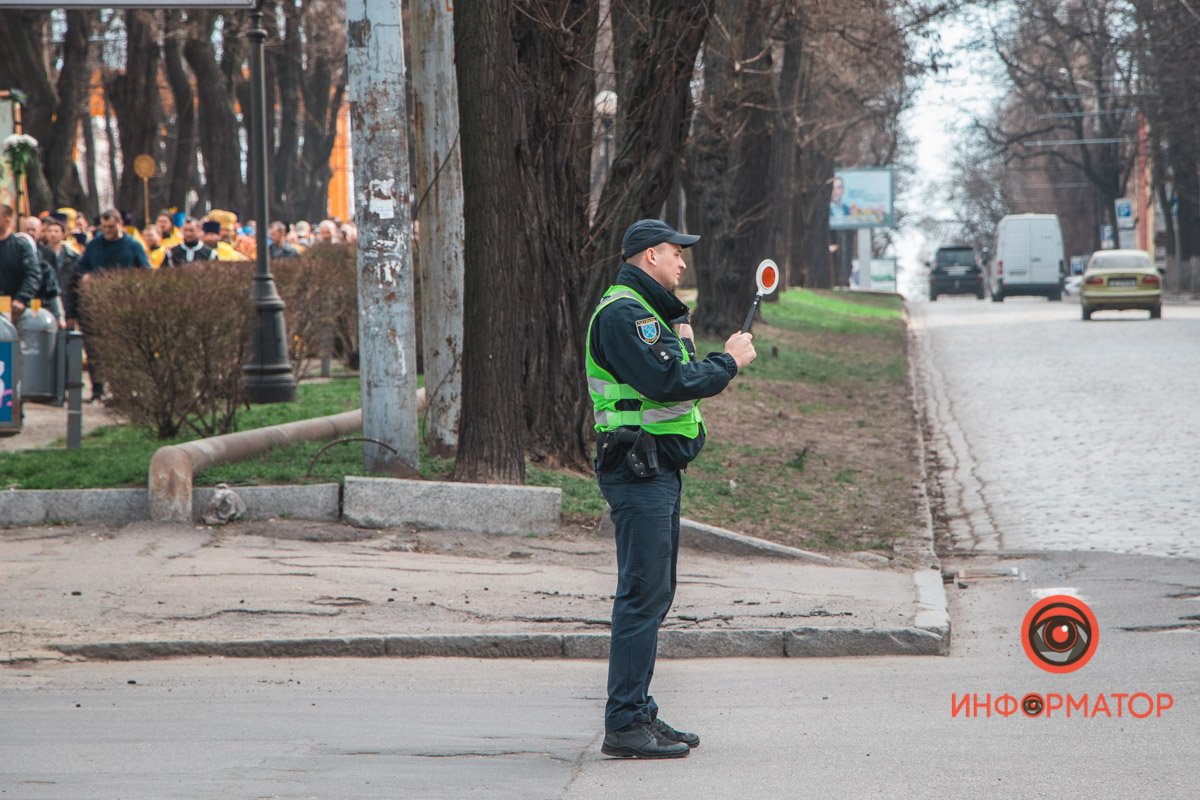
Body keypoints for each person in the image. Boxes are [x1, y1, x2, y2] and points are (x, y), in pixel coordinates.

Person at [587, 219, 756, 759]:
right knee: (641, 597)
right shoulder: (624, 315)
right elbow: (670, 383)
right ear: (648, 256)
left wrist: (685, 331)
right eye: (675, 253)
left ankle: (638, 711)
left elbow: (673, 385)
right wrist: (728, 361)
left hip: (656, 468)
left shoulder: (652, 314)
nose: (682, 262)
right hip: (638, 472)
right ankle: (624, 724)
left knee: (654, 595)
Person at [76, 208, 151, 400]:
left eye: (111, 227)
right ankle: (98, 389)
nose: (107, 231)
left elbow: (145, 271)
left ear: (120, 224)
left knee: (121, 346)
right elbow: (82, 266)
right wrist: (86, 275)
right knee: (94, 347)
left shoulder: (133, 245)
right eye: (104, 227)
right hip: (96, 302)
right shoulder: (94, 245)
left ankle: (121, 389)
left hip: (123, 302)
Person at [0, 204, 41, 320]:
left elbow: (33, 274)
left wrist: (21, 298)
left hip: (14, 309)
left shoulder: (21, 246)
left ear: (7, 220)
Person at [42, 214, 80, 327]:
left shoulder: (73, 257)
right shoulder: (40, 255)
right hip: (47, 306)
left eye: (56, 231)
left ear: (63, 234)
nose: (53, 234)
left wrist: (73, 313)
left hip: (67, 306)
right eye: (50, 231)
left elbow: (76, 286)